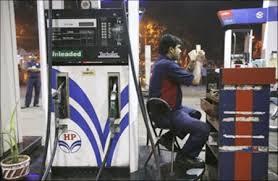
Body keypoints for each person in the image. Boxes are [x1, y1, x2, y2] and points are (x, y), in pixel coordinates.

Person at [149, 34, 210, 169]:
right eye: (178, 48)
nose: (180, 51)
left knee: (195, 114)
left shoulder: (162, 63)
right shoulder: (167, 65)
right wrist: (199, 62)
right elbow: (195, 81)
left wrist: (192, 63)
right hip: (167, 114)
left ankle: (168, 137)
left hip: (165, 110)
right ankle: (185, 157)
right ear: (170, 49)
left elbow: (184, 75)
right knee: (203, 129)